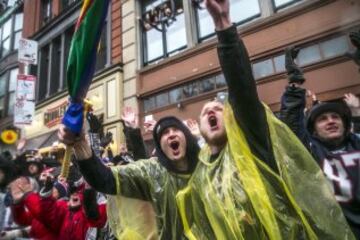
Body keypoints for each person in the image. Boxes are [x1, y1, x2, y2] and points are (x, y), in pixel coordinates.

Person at [176, 0, 354, 239]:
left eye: (218, 108)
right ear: (199, 128)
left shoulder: (253, 144)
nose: (211, 112)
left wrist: (224, 29)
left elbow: (242, 92)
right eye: (205, 112)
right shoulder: (200, 176)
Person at [58, 112, 200, 239]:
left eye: (176, 129)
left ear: (187, 138)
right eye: (164, 133)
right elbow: (103, 178)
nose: (171, 134)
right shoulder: (154, 172)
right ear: (160, 147)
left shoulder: (206, 166)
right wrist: (80, 143)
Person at [280, 47, 360, 237]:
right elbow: (291, 126)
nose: (331, 120)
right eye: (322, 119)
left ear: (345, 124)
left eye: (335, 117)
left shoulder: (357, 142)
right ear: (313, 130)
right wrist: (295, 84)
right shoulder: (310, 152)